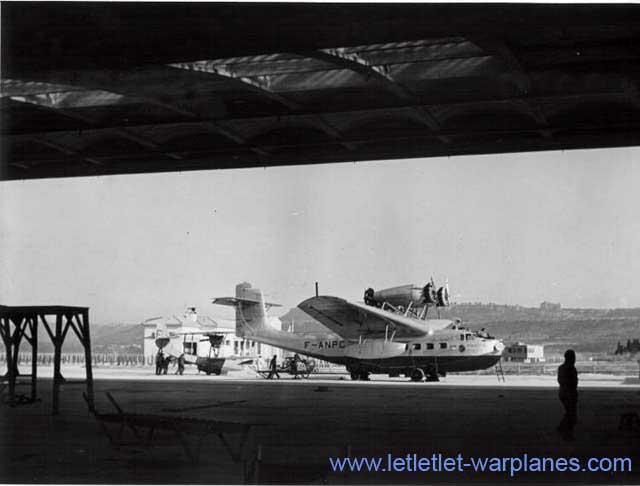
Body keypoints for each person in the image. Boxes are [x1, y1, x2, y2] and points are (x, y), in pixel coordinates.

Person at [557, 349, 579, 440]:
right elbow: (572, 382)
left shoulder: (561, 367)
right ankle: (566, 432)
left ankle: (563, 429)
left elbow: (560, 381)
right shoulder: (571, 368)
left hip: (563, 393)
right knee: (571, 414)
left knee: (570, 413)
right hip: (569, 393)